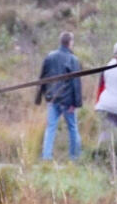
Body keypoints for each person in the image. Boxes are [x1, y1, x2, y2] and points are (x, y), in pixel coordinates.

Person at [36, 32, 84, 160]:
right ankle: (75, 157)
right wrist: (76, 103)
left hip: (53, 98)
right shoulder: (73, 60)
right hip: (67, 101)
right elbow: (76, 83)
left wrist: (42, 96)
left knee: (51, 127)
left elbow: (43, 77)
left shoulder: (50, 57)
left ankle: (46, 156)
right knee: (73, 128)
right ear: (70, 43)